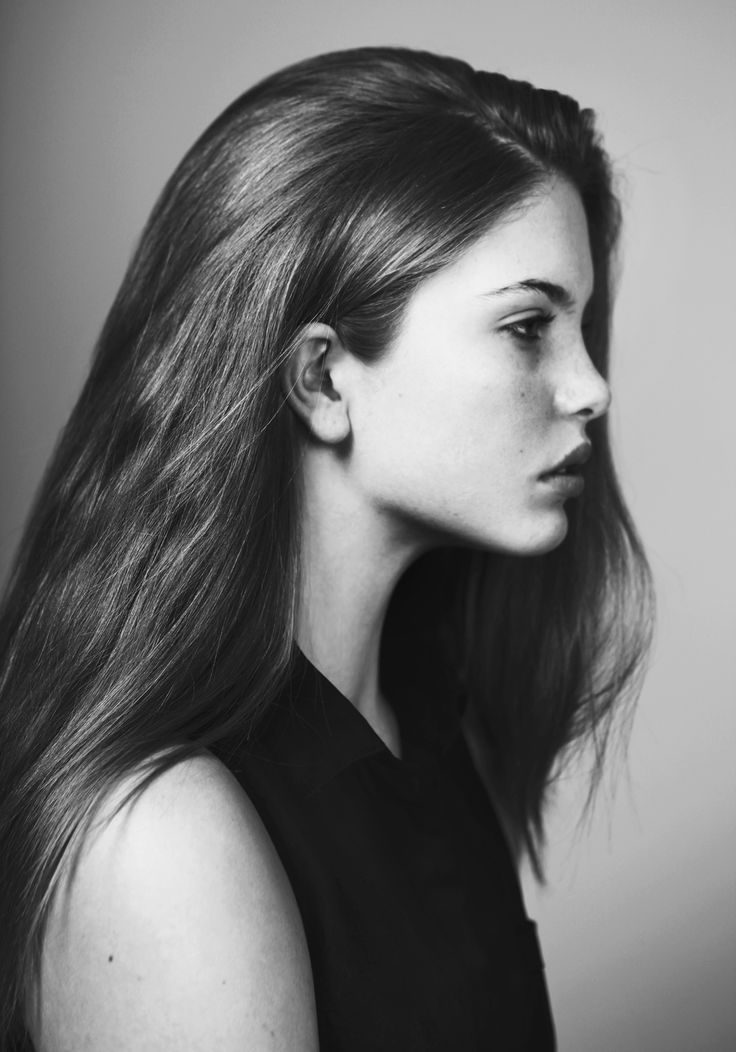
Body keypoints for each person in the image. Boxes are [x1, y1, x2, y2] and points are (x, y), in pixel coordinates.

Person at [0, 46, 654, 1051]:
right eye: (527, 326)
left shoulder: (429, 721)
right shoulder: (163, 838)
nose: (588, 386)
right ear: (322, 377)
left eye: (581, 326)